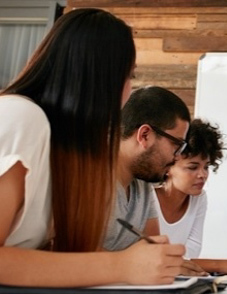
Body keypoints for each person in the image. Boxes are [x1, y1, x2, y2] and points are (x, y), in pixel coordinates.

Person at [0, 8, 184, 287]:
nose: (129, 91)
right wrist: (123, 265)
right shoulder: (22, 117)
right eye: (129, 76)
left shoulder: (67, 151)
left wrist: (141, 263)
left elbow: (56, 253)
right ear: (101, 77)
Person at [104, 85, 191, 252]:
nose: (178, 156)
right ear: (145, 135)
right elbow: (75, 251)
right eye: (176, 144)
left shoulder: (143, 181)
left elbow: (152, 250)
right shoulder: (89, 180)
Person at [154, 118, 227, 274]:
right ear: (168, 166)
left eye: (206, 167)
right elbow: (154, 259)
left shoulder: (198, 198)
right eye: (192, 167)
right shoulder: (147, 198)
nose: (202, 175)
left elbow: (189, 254)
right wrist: (218, 265)